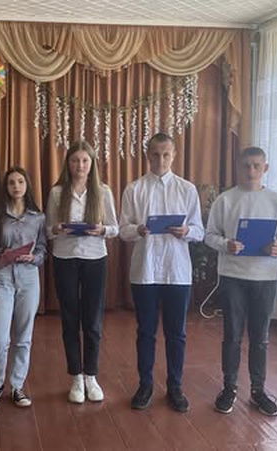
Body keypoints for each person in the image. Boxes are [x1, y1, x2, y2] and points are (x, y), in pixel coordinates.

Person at [119, 132, 204, 412]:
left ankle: (175, 386)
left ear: (174, 155)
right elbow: (123, 230)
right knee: (145, 331)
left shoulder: (187, 189)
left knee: (176, 333)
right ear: (147, 155)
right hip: (144, 271)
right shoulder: (134, 189)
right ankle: (145, 384)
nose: (161, 160)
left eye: (166, 154)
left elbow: (200, 231)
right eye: (155, 154)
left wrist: (186, 231)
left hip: (177, 271)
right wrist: (139, 229)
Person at [205, 146, 277, 417]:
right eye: (246, 165)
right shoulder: (225, 200)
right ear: (238, 167)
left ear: (265, 168)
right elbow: (209, 235)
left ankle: (258, 390)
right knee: (232, 335)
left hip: (265, 277)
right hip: (233, 276)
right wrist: (226, 244)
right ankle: (229, 387)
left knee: (260, 336)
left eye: (256, 165)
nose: (251, 171)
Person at [46, 141, 118, 404]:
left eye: (85, 160)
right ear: (68, 163)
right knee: (69, 319)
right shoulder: (57, 193)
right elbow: (48, 230)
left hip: (95, 259)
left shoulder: (103, 191)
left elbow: (114, 228)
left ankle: (91, 375)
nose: (80, 165)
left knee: (92, 321)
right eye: (75, 160)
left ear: (92, 163)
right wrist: (57, 229)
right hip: (64, 259)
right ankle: (76, 376)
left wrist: (102, 230)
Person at [0, 167, 47, 408]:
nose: (16, 186)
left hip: (29, 278)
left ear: (27, 185)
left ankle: (17, 386)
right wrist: (3, 253)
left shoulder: (39, 218)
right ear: (6, 187)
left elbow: (43, 249)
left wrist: (35, 258)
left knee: (23, 336)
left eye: (20, 181)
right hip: (3, 277)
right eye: (11, 183)